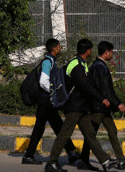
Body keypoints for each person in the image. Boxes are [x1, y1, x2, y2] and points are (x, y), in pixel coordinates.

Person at [45, 38, 119, 172]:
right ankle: (52, 162)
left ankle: (105, 161)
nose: (91, 52)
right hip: (74, 107)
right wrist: (101, 98)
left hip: (81, 107)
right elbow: (85, 85)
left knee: (90, 135)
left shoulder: (82, 63)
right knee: (64, 134)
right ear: (88, 51)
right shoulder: (76, 64)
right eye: (91, 49)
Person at [79, 41, 125, 170]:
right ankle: (83, 160)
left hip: (103, 107)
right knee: (91, 134)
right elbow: (105, 90)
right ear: (106, 52)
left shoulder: (99, 65)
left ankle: (121, 159)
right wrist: (117, 103)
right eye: (111, 52)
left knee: (112, 130)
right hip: (98, 107)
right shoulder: (99, 67)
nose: (112, 55)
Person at [22, 38, 81, 165]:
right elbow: (43, 81)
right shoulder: (48, 61)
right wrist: (54, 92)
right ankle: (29, 156)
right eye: (59, 46)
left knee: (56, 126)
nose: (60, 48)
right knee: (45, 128)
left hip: (47, 101)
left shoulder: (51, 61)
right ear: (54, 48)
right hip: (45, 101)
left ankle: (70, 153)